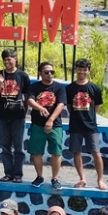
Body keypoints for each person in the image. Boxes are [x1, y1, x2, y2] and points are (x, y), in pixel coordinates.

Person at [66, 59, 107, 190]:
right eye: (79, 69)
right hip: (75, 126)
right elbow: (69, 106)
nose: (81, 72)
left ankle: (100, 180)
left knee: (96, 152)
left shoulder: (95, 88)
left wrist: (89, 117)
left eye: (84, 69)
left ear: (88, 71)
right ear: (76, 70)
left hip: (91, 126)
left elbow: (97, 106)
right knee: (76, 152)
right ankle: (82, 178)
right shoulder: (69, 88)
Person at [28, 62, 67, 190]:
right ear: (40, 73)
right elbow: (30, 100)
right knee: (36, 152)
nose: (49, 74)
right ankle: (39, 176)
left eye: (52, 72)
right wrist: (40, 107)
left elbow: (61, 105)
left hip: (55, 125)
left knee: (56, 152)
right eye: (46, 72)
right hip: (37, 124)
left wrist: (50, 120)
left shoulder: (59, 87)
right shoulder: (34, 87)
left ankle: (55, 178)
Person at [0, 49, 31, 183]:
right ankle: (8, 173)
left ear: (15, 59)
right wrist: (0, 82)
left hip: (18, 116)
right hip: (2, 115)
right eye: (5, 59)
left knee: (18, 147)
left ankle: (18, 174)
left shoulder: (23, 75)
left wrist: (24, 112)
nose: (7, 62)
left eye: (9, 59)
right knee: (5, 146)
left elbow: (27, 95)